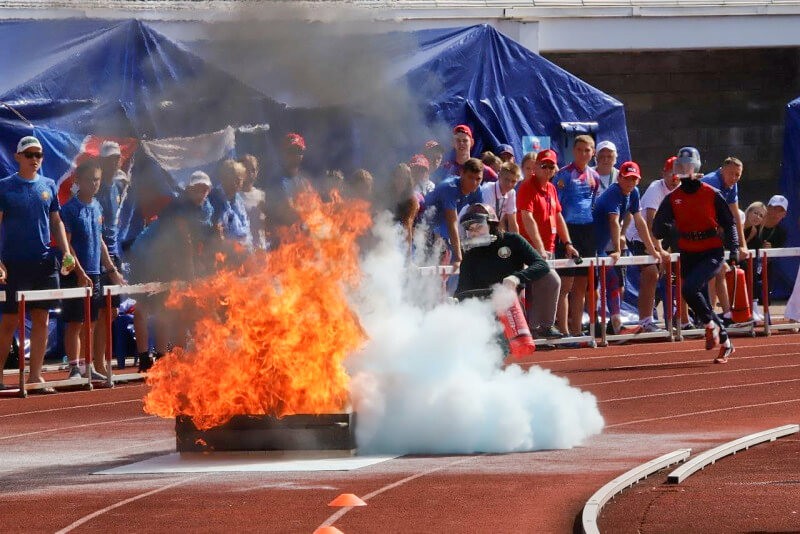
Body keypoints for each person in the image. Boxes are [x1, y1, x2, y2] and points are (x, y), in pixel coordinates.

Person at [0, 136, 81, 392]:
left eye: (39, 155)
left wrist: (66, 252)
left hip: (45, 263)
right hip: (14, 263)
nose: (35, 159)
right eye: (29, 154)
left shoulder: (49, 185)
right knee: (10, 321)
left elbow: (56, 221)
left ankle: (35, 376)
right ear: (18, 157)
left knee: (42, 319)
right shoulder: (4, 187)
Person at [653, 147, 738, 363]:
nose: (685, 170)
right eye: (681, 166)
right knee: (699, 298)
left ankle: (710, 326)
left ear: (696, 167)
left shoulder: (711, 193)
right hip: (688, 252)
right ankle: (726, 343)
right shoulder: (673, 198)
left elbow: (729, 223)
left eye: (688, 166)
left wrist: (735, 249)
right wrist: (665, 227)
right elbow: (657, 229)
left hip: (711, 251)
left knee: (689, 289)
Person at [454, 203, 552, 357]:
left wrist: (516, 278)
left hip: (508, 308)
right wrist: (453, 301)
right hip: (481, 311)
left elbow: (542, 265)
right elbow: (462, 289)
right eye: (470, 229)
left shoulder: (512, 241)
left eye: (478, 227)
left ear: (491, 225)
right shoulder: (471, 254)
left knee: (496, 354)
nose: (474, 233)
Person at [60, 160, 125, 380]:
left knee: (92, 321)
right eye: (89, 180)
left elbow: (100, 241)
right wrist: (79, 272)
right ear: (78, 180)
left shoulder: (97, 206)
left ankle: (88, 366)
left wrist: (111, 270)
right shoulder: (69, 209)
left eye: (97, 179)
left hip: (96, 273)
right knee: (75, 322)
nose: (94, 184)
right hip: (76, 274)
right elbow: (67, 245)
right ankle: (74, 368)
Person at [593, 161, 669, 335]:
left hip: (604, 246)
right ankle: (592, 326)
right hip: (593, 244)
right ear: (619, 177)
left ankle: (614, 325)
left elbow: (639, 221)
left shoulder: (634, 192)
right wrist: (618, 249)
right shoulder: (613, 193)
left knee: (616, 282)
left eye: (634, 179)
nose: (630, 182)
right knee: (597, 284)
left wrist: (652, 249)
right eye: (627, 178)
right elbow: (613, 221)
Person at [625, 156, 680, 332]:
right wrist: (660, 250)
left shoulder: (681, 190)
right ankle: (645, 321)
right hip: (639, 236)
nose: (675, 179)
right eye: (671, 174)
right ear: (663, 173)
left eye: (678, 175)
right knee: (650, 273)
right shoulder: (655, 189)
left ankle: (678, 318)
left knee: (672, 273)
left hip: (663, 236)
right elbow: (650, 224)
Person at [553, 135, 600, 337]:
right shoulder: (563, 175)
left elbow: (592, 203)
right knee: (565, 285)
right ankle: (564, 331)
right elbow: (556, 208)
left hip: (587, 232)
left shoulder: (594, 176)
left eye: (587, 150)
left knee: (582, 284)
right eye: (579, 150)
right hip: (567, 231)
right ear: (573, 151)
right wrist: (562, 236)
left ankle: (577, 330)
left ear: (593, 152)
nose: (583, 154)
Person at [702, 157, 748, 325]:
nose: (734, 178)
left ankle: (726, 315)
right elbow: (705, 213)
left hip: (711, 233)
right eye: (731, 174)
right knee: (714, 271)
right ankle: (708, 316)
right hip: (695, 231)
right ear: (722, 170)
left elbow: (735, 214)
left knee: (720, 270)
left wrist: (743, 245)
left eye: (738, 175)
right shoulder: (711, 182)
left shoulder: (732, 185)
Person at [423, 157, 484, 268]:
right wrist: (458, 258)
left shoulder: (477, 190)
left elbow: (478, 220)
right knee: (429, 266)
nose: (474, 183)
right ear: (462, 173)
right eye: (470, 177)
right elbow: (452, 223)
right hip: (423, 225)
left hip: (442, 229)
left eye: (478, 179)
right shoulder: (449, 187)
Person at [210, 159, 252, 249]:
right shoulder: (214, 198)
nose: (234, 184)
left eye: (238, 180)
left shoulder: (238, 200)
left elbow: (245, 228)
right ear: (223, 179)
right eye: (230, 179)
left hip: (241, 249)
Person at [476, 161, 520, 234]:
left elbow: (512, 222)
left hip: (491, 227)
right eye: (506, 179)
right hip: (477, 227)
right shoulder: (488, 189)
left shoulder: (511, 192)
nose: (509, 184)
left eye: (513, 181)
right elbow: (486, 219)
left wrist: (517, 239)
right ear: (499, 176)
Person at [239, 154, 267, 250]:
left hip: (261, 249)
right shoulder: (234, 196)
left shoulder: (262, 196)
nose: (250, 173)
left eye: (253, 170)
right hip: (243, 251)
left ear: (257, 172)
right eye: (247, 169)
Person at [390, 163, 419, 255]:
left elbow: (408, 227)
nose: (400, 181)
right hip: (387, 239)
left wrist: (408, 255)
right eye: (398, 177)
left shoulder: (411, 201)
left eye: (403, 178)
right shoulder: (387, 195)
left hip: (403, 241)